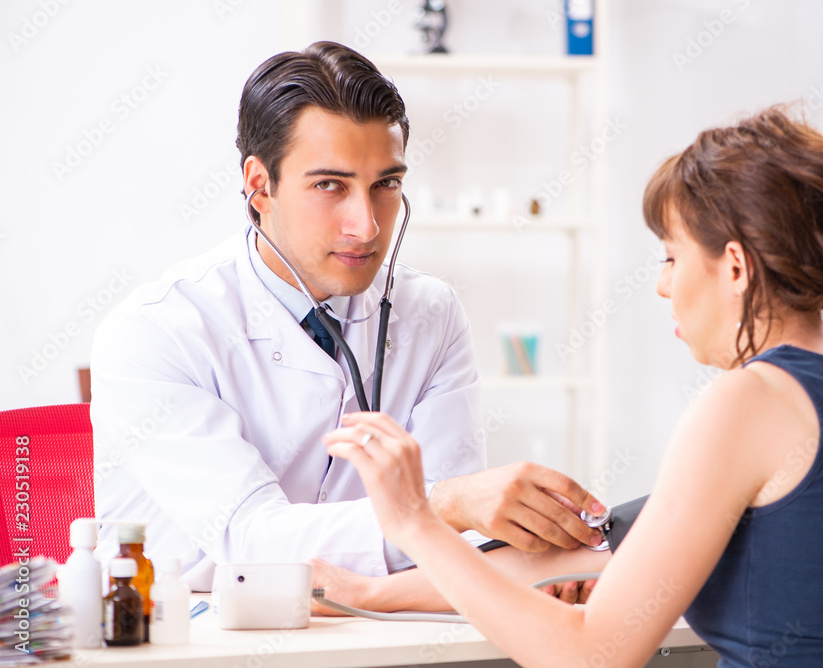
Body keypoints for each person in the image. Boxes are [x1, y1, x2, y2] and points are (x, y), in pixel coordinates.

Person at [321, 107, 823, 667]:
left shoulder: (749, 400)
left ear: (735, 267)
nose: (662, 286)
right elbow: (595, 556)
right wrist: (370, 591)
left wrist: (414, 521)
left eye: (672, 257)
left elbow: (591, 655)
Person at [90, 41, 604, 592]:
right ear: (260, 185)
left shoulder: (430, 312)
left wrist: (549, 563)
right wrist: (449, 506)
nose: (366, 226)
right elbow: (251, 540)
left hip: (376, 625)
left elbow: (450, 541)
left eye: (386, 184)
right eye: (330, 185)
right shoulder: (156, 330)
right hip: (202, 634)